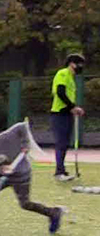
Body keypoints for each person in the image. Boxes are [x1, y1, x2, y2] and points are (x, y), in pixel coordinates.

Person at [0, 117, 63, 235]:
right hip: (4, 177)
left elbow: (22, 126)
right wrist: (1, 169)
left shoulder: (5, 138)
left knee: (25, 204)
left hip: (22, 175)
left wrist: (25, 144)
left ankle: (53, 213)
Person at [50, 53, 86, 181]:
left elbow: (69, 96)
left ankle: (62, 170)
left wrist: (75, 108)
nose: (81, 67)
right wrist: (72, 107)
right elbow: (60, 92)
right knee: (61, 143)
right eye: (79, 64)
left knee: (65, 143)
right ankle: (59, 172)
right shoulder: (63, 73)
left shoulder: (71, 78)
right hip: (59, 113)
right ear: (72, 63)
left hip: (67, 114)